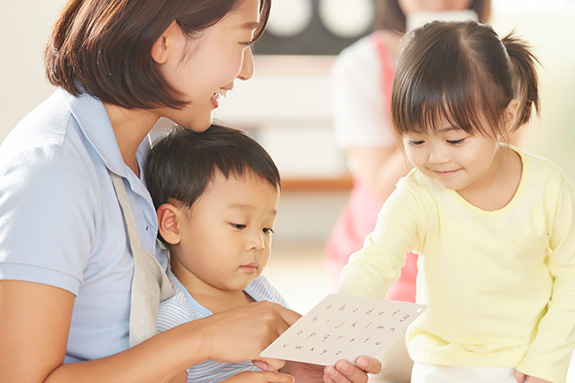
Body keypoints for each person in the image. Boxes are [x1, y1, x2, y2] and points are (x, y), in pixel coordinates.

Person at [0, 0, 381, 382]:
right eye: (242, 41)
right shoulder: (53, 171)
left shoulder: (138, 156)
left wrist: (293, 368)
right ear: (164, 40)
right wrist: (205, 337)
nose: (246, 70)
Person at [338, 20, 575, 383]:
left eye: (454, 140)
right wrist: (344, 319)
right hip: (440, 367)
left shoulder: (547, 187)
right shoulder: (419, 194)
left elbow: (571, 277)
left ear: (504, 118)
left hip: (527, 366)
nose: (436, 158)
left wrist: (546, 361)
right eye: (416, 141)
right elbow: (374, 262)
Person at [325, 0, 492, 301]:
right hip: (390, 253)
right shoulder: (361, 64)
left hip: (476, 247)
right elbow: (382, 182)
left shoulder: (501, 61)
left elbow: (509, 164)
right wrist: (438, 103)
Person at [146, 124, 298, 382]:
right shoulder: (174, 320)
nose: (258, 242)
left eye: (266, 229)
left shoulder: (261, 293)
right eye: (239, 224)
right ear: (173, 225)